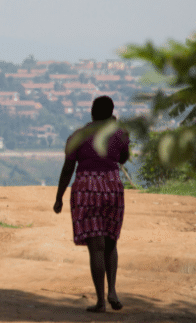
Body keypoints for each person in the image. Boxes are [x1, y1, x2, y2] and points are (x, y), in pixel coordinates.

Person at [53, 96, 129, 313]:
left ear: (92, 112)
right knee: (111, 242)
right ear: (111, 112)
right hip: (112, 186)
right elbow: (123, 159)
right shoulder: (120, 134)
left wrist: (59, 197)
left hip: (87, 189)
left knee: (96, 247)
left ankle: (100, 302)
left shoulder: (78, 136)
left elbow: (68, 168)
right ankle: (112, 290)